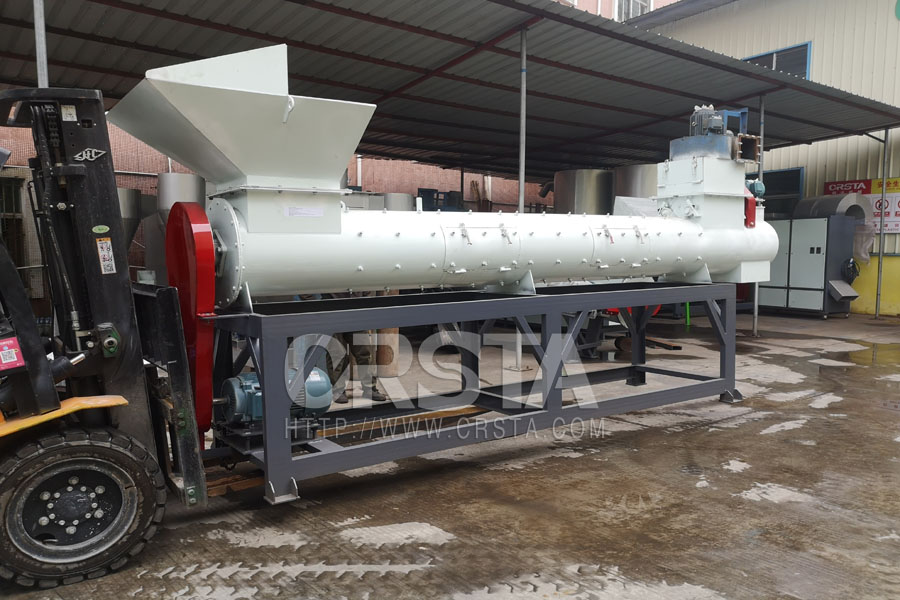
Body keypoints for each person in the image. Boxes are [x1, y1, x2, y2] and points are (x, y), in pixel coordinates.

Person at [327, 330, 387, 404]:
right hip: (334, 323)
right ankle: (338, 390)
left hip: (355, 323)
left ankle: (369, 388)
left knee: (364, 350)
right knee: (336, 354)